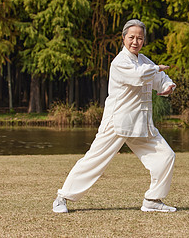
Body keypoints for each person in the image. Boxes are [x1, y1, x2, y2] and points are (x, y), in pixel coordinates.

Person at [52, 19, 177, 213]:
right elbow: (139, 76)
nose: (135, 42)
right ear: (124, 38)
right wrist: (157, 68)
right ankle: (62, 197)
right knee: (94, 160)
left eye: (140, 38)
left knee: (166, 156)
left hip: (142, 122)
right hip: (117, 122)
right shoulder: (120, 62)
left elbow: (159, 80)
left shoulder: (144, 61)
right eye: (131, 37)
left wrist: (168, 86)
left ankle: (152, 199)